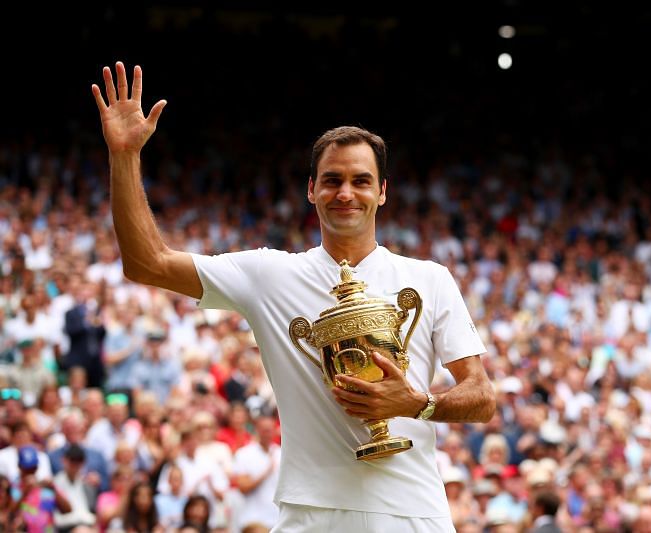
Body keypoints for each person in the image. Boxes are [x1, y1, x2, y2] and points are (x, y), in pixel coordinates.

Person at [92, 61, 495, 531]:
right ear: (311, 190)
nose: (346, 192)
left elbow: (482, 397)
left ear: (382, 192)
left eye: (361, 181)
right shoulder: (270, 274)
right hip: (311, 515)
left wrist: (418, 403)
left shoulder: (430, 278)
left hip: (414, 514)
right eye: (332, 180)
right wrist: (124, 157)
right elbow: (147, 263)